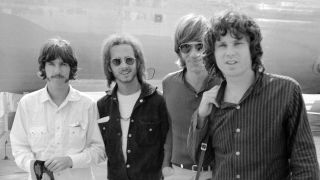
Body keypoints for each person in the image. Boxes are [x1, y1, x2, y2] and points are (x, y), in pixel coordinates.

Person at [188, 11, 320, 179]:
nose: (230, 52)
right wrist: (200, 117)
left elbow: (305, 164)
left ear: (252, 48)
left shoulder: (285, 92)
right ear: (213, 54)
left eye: (237, 43)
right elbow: (200, 159)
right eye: (222, 45)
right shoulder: (211, 102)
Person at [10, 38, 106, 180]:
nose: (57, 70)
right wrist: (34, 166)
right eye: (51, 64)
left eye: (63, 64)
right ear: (43, 67)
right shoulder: (27, 104)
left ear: (71, 68)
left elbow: (99, 150)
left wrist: (70, 161)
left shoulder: (87, 105)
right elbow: (19, 147)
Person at [97, 34, 169, 180]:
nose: (124, 66)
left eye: (129, 60)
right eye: (116, 61)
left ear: (138, 62)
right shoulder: (102, 106)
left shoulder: (159, 102)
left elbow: (168, 145)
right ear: (109, 67)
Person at [161, 14, 221, 180]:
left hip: (214, 173)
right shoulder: (169, 83)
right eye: (186, 47)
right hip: (176, 173)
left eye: (200, 46)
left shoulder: (223, 83)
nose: (194, 54)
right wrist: (165, 167)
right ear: (178, 50)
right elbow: (168, 129)